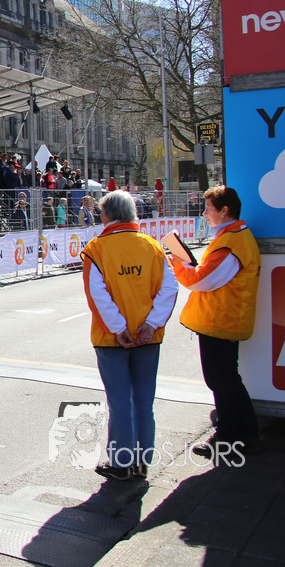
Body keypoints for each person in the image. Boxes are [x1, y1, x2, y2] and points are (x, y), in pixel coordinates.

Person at [81, 191, 178, 480]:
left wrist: (119, 327)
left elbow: (97, 295)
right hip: (148, 337)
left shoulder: (96, 248)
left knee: (120, 402)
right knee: (144, 402)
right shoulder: (153, 246)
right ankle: (142, 461)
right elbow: (170, 288)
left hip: (112, 339)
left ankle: (121, 462)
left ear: (106, 215)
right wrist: (151, 323)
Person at [168, 185, 263, 457]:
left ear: (224, 210)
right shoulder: (235, 238)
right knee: (227, 379)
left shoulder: (232, 241)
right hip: (223, 320)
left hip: (221, 322)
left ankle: (229, 438)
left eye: (208, 208)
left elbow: (202, 280)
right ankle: (244, 435)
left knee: (222, 381)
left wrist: (179, 264)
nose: (204, 213)